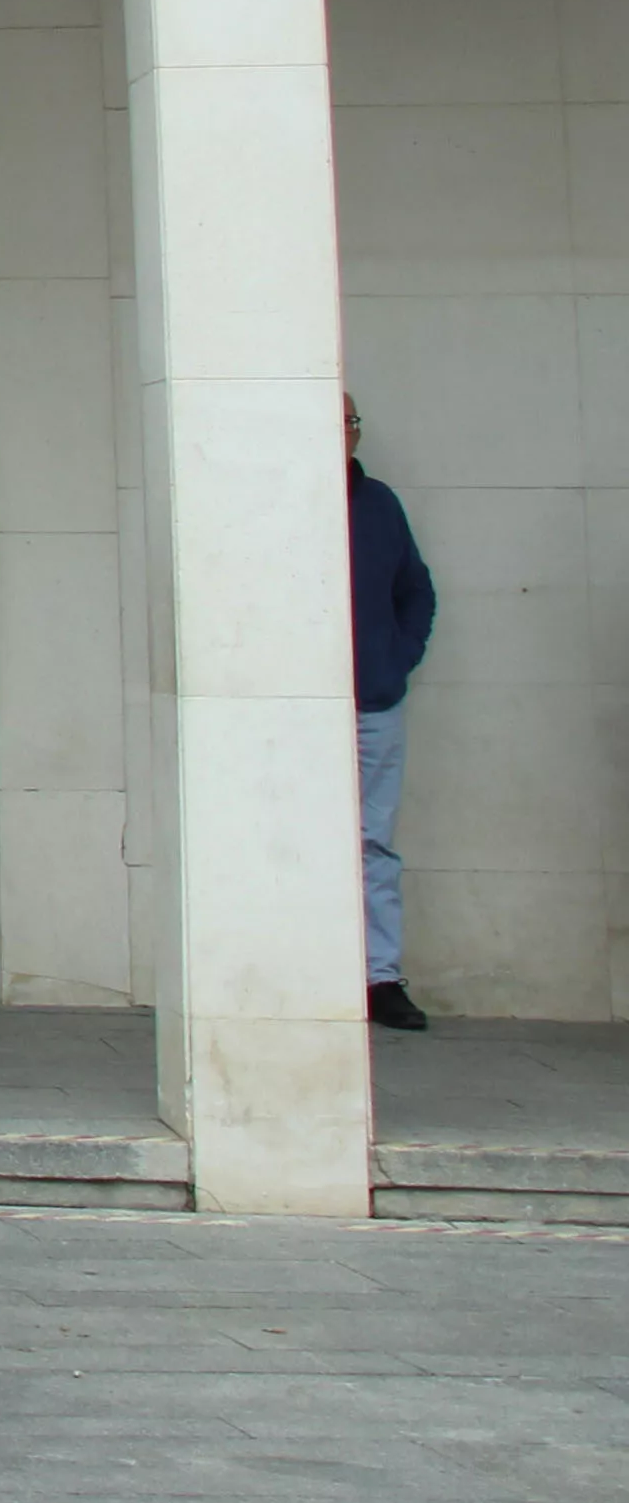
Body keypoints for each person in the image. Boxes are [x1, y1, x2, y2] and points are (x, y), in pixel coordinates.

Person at [349, 399, 437, 1033]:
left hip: (371, 702)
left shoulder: (378, 503)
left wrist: (394, 661)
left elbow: (416, 590)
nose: (343, 434)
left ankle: (380, 976)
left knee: (372, 840)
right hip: (288, 709)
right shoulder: (273, 494)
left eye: (349, 423)